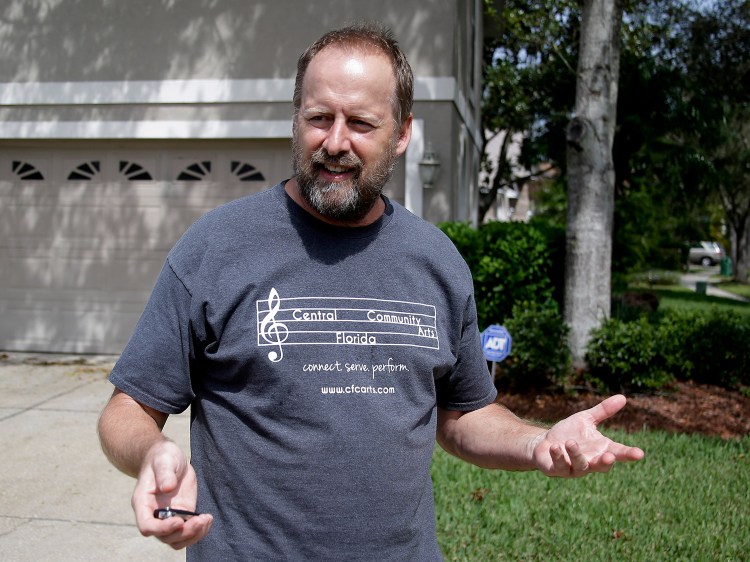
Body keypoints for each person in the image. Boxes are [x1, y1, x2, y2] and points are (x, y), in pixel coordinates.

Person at [98, 22, 644, 560]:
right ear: (296, 119)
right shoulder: (216, 248)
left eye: (361, 122)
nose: (336, 142)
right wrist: (152, 453)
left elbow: (463, 415)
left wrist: (536, 441)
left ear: (402, 133)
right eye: (318, 118)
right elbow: (128, 408)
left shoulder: (436, 261)